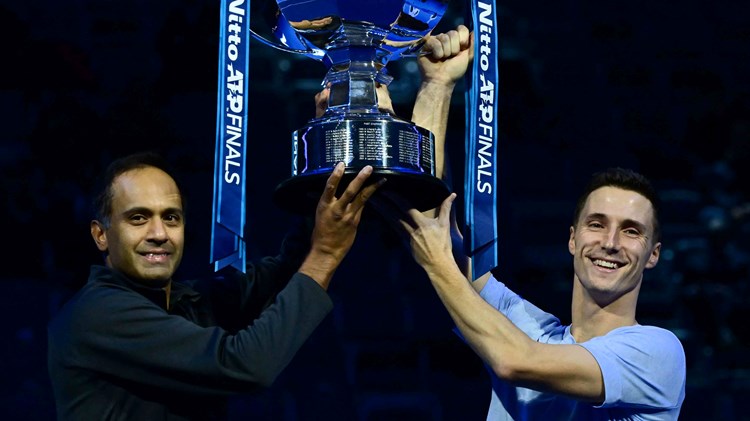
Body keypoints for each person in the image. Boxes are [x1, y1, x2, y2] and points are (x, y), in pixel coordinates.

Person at [46, 151, 383, 419]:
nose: (159, 234)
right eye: (138, 218)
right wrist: (325, 254)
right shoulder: (97, 314)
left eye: (170, 217)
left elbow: (283, 273)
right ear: (100, 234)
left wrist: (327, 152)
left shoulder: (187, 301)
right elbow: (245, 365)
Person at [382, 165, 687, 418]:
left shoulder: (658, 352)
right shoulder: (535, 331)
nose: (610, 242)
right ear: (572, 240)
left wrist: (436, 264)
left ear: (653, 255)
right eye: (596, 224)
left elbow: (513, 361)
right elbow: (434, 225)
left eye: (631, 231)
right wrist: (437, 91)